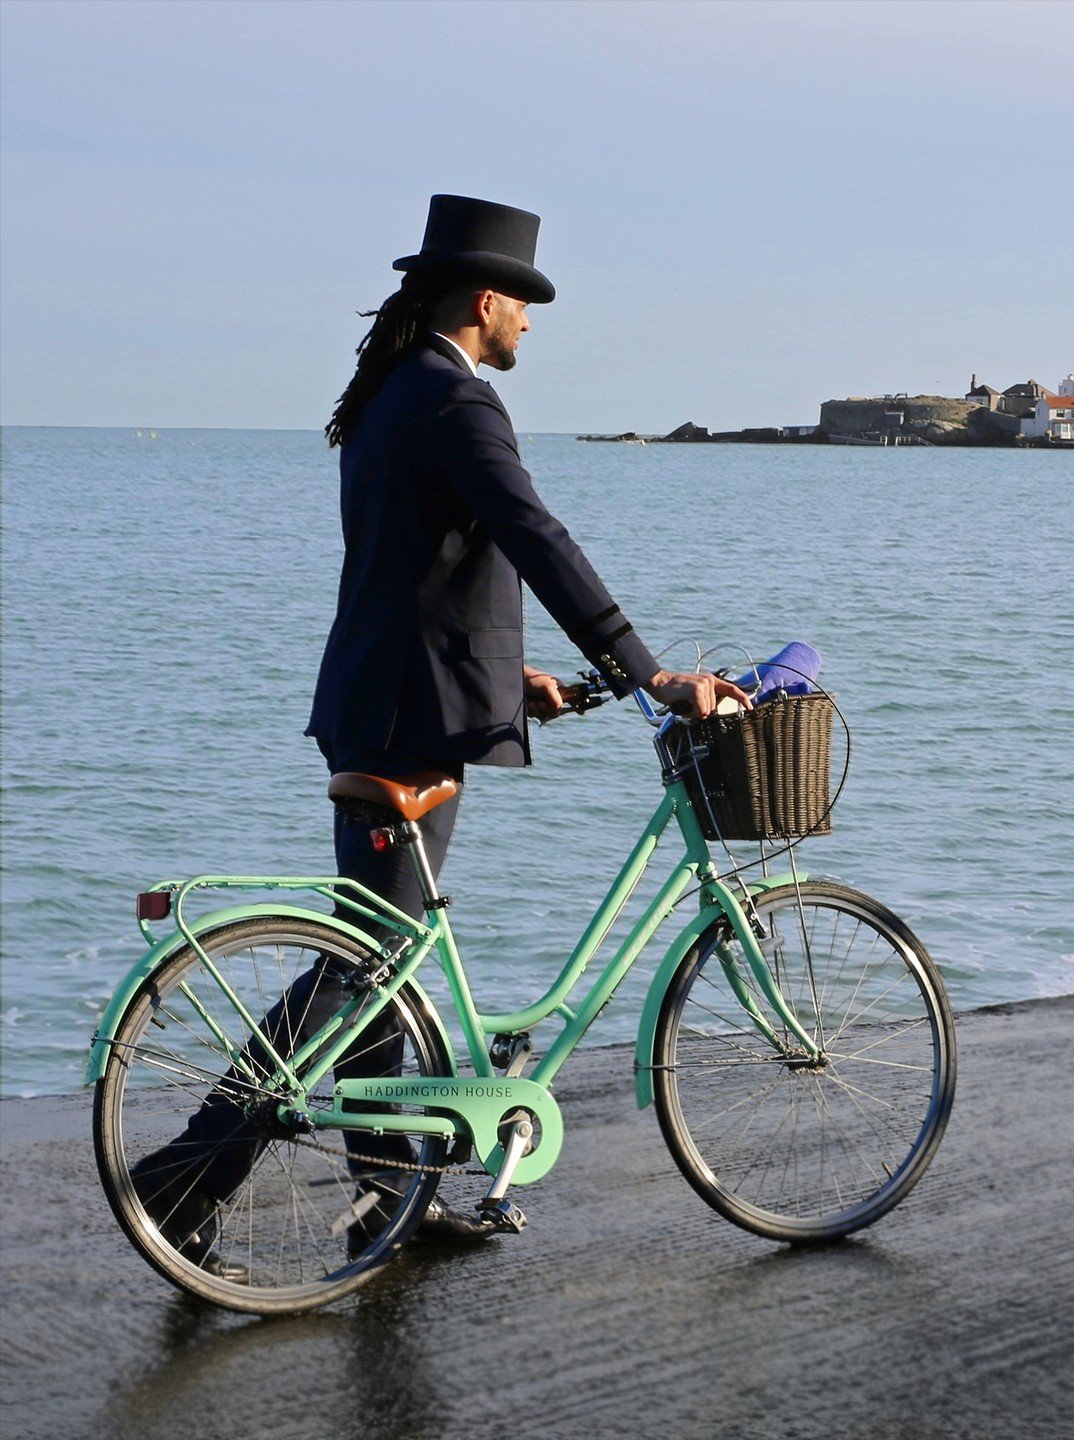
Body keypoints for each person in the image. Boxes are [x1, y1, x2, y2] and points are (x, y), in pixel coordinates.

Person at [131, 194, 749, 1274]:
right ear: (485, 299)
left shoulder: (391, 392)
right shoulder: (456, 400)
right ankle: (186, 1178)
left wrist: (511, 675)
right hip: (405, 720)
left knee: (380, 963)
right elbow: (534, 536)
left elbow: (416, 574)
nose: (531, 324)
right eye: (525, 303)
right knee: (363, 964)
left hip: (382, 698)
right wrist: (646, 670)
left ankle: (392, 1196)